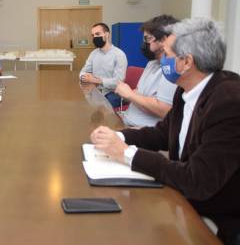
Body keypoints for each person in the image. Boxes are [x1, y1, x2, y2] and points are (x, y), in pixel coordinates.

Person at [90, 18, 240, 245]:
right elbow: (162, 133)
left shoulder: (228, 101)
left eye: (167, 53)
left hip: (214, 219)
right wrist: (118, 136)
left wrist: (127, 154)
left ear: (187, 62)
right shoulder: (186, 90)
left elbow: (197, 180)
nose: (162, 58)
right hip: (184, 200)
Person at [115, 15, 178, 127]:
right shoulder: (151, 64)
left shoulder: (171, 68)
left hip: (144, 130)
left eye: (147, 39)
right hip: (126, 120)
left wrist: (130, 95)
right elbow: (139, 94)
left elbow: (163, 109)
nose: (144, 43)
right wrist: (132, 95)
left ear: (163, 40)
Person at [79, 23, 128, 108]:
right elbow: (82, 72)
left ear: (107, 34)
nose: (95, 37)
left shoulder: (119, 55)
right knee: (80, 104)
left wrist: (96, 80)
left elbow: (119, 82)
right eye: (93, 35)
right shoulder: (94, 53)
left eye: (97, 34)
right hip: (95, 91)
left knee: (97, 108)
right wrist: (84, 77)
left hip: (112, 93)